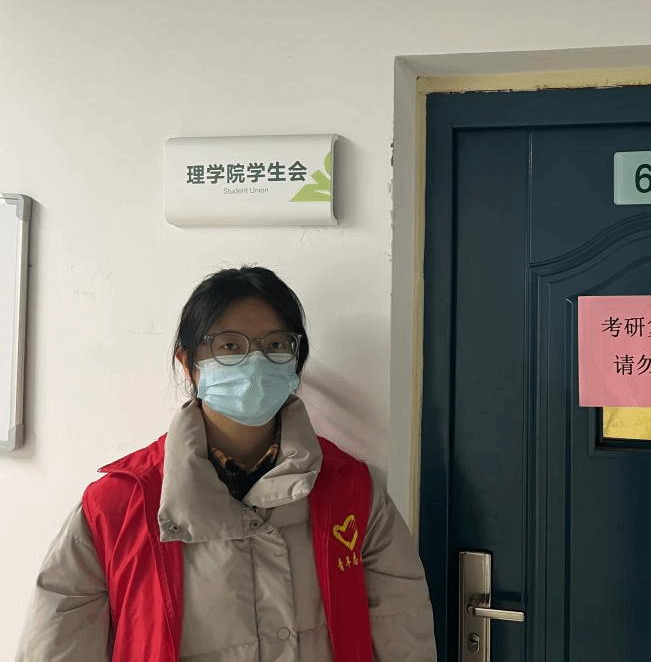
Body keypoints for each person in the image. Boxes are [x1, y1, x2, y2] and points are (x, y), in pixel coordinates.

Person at [17, 266, 437, 662]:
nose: (255, 362)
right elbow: (57, 646)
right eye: (230, 346)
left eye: (276, 345)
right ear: (188, 364)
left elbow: (405, 635)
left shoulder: (354, 493)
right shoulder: (117, 507)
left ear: (295, 363)